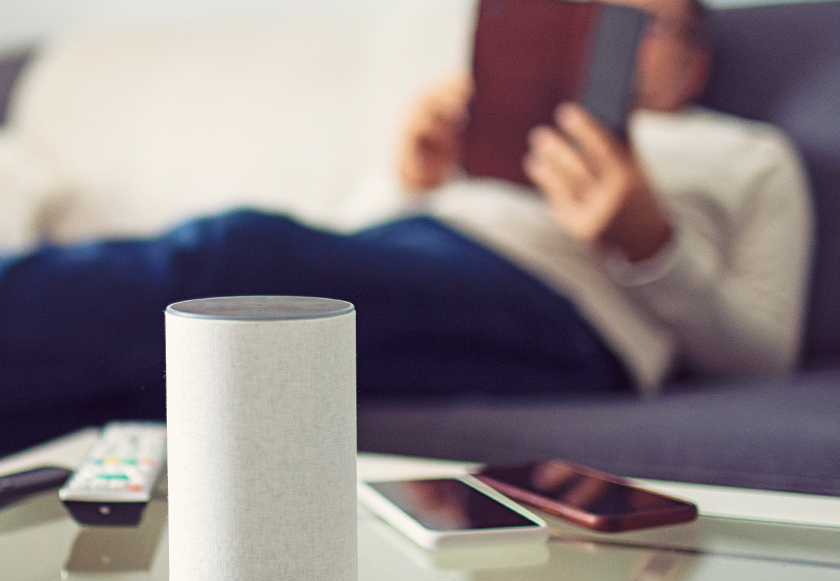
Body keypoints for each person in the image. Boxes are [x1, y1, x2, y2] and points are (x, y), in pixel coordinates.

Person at [0, 0, 813, 454]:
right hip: (418, 260)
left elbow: (766, 353)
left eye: (641, 26)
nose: (611, 44)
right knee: (171, 374)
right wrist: (408, 177)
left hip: (560, 313)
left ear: (694, 59)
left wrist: (650, 246)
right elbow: (353, 254)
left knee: (237, 260)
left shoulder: (746, 156)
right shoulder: (504, 125)